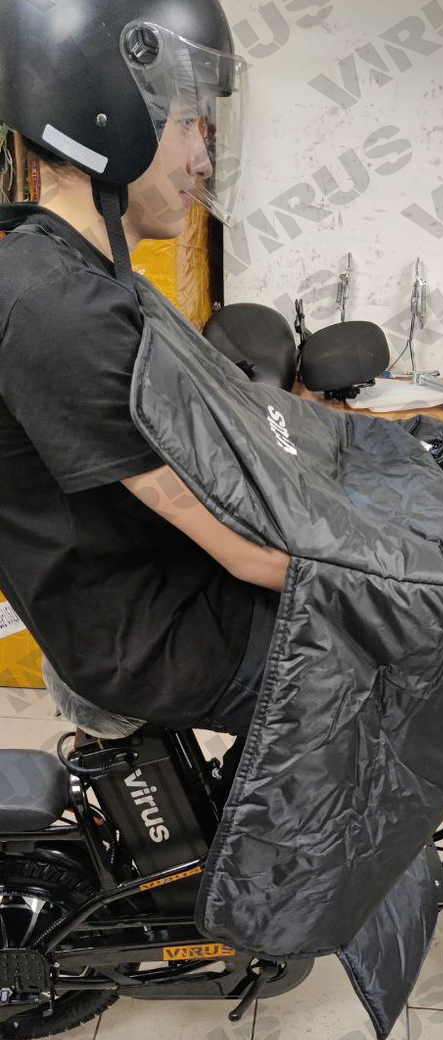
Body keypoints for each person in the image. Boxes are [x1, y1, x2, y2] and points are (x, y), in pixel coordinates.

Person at [0, 0, 288, 740]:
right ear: (109, 119)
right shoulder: (58, 308)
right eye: (187, 123)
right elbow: (251, 556)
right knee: (384, 672)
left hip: (162, 590)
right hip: (146, 640)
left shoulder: (84, 273)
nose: (203, 158)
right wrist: (400, 570)